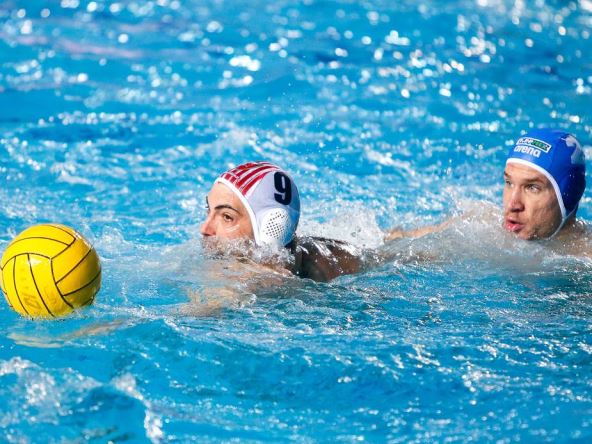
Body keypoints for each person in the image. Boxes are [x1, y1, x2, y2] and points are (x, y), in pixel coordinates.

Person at [385, 128, 588, 247]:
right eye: (509, 183)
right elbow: (399, 243)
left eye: (532, 187)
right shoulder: (480, 225)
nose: (512, 204)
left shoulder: (583, 259)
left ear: (568, 195)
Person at [200, 161, 365, 282]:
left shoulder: (343, 261)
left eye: (227, 217)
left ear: (271, 229)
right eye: (209, 210)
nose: (205, 229)